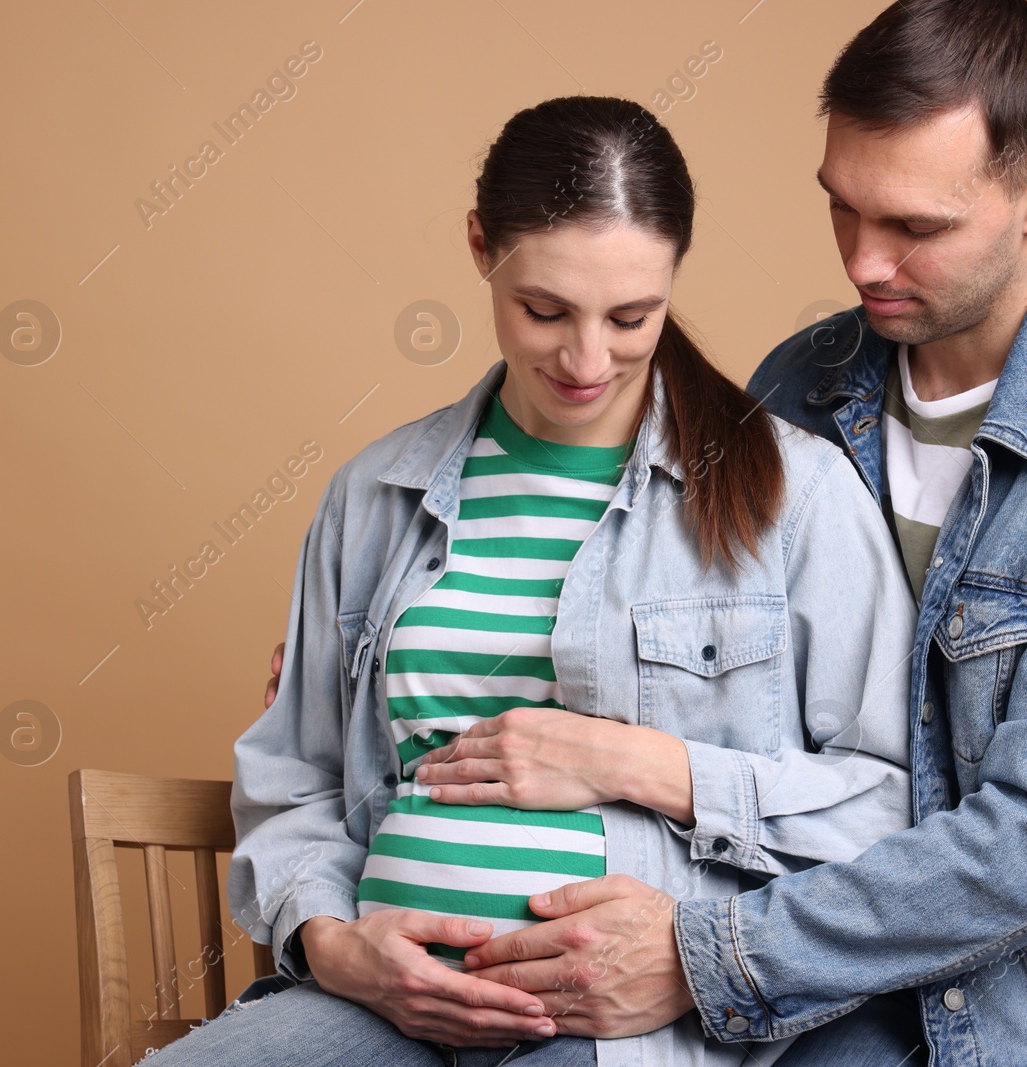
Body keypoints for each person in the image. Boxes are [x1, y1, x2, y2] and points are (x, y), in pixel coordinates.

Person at [262, 3, 1027, 1065]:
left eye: (913, 227)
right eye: (842, 208)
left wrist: (693, 944)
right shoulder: (801, 391)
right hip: (832, 977)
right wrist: (381, 674)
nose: (863, 263)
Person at [145, 96, 916, 1067]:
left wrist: (633, 763)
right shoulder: (374, 495)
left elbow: (894, 804)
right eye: (544, 309)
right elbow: (292, 778)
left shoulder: (792, 496)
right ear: (481, 248)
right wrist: (335, 944)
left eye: (632, 316)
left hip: (625, 1024)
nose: (587, 358)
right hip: (385, 1006)